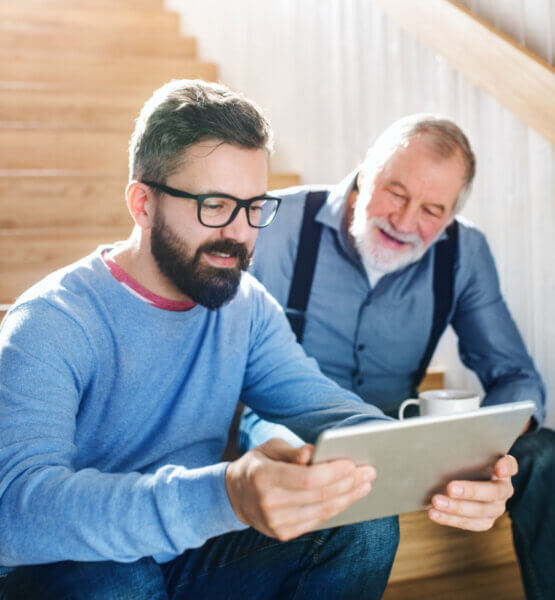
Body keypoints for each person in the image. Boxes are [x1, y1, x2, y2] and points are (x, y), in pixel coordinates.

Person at [0, 79, 404, 600]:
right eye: (214, 205)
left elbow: (334, 412)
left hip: (191, 555)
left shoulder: (247, 308)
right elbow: (14, 512)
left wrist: (450, 462)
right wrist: (224, 495)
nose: (238, 233)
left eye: (253, 206)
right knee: (116, 575)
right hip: (72, 571)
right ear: (143, 204)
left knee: (364, 524)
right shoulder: (52, 322)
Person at [240, 114, 554, 599]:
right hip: (290, 425)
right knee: (314, 478)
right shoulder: (278, 224)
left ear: (450, 217)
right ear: (365, 173)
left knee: (545, 453)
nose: (405, 222)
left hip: (396, 426)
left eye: (432, 210)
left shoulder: (464, 252)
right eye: (396, 193)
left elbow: (514, 374)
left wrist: (489, 443)